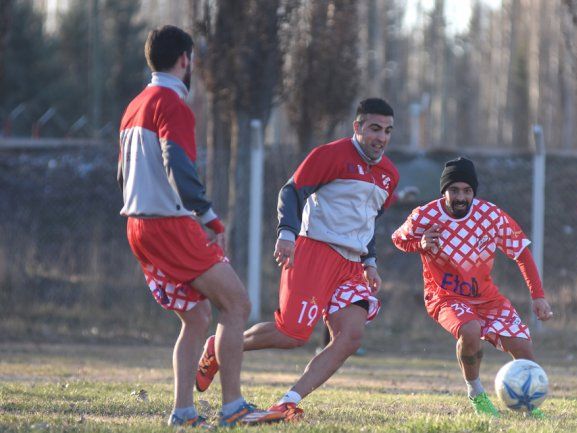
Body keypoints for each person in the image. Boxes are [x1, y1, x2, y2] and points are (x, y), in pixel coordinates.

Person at [118, 25, 283, 427]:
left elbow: (123, 172)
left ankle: (183, 413)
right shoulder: (172, 104)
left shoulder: (134, 104)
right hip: (168, 223)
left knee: (196, 317)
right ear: (185, 59)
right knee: (237, 304)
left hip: (137, 224)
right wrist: (206, 215)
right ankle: (234, 407)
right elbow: (178, 164)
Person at [195, 98, 400, 420]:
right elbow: (291, 191)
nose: (381, 138)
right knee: (292, 335)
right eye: (374, 128)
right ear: (357, 127)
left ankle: (287, 401)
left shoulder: (389, 174)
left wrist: (370, 262)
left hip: (351, 266)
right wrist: (287, 234)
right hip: (315, 251)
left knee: (351, 336)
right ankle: (218, 345)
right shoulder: (330, 155)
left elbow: (368, 223)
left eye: (387, 131)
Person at [391, 157, 553, 416]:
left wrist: (538, 296)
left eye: (467, 191)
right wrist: (420, 244)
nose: (460, 197)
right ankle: (476, 393)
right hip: (444, 296)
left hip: (487, 298)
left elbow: (521, 253)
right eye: (454, 190)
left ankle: (527, 405)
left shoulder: (490, 215)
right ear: (443, 191)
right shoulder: (425, 215)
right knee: (470, 330)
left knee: (524, 350)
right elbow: (399, 239)